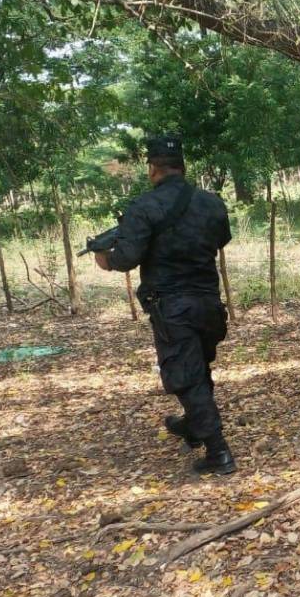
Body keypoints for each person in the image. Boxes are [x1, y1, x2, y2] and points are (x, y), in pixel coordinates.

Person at [94, 134, 237, 475]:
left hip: (173, 306)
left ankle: (219, 453)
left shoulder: (144, 207)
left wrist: (104, 258)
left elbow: (127, 258)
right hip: (208, 305)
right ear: (182, 167)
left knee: (186, 376)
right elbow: (221, 238)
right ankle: (192, 424)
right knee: (197, 368)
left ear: (152, 169)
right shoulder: (212, 203)